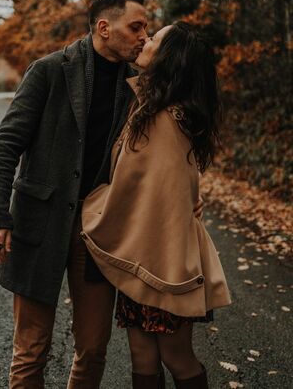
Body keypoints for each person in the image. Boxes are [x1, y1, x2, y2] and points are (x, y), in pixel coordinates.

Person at [0, 0, 204, 389]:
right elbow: (6, 143)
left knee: (93, 348)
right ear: (104, 28)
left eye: (146, 28)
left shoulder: (141, 86)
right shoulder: (49, 70)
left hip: (100, 233)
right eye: (135, 26)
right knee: (31, 348)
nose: (143, 36)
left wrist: (189, 194)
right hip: (38, 225)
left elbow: (166, 149)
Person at [81, 21, 232, 388]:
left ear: (170, 58)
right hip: (145, 258)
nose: (146, 39)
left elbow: (135, 194)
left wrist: (87, 205)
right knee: (143, 355)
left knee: (176, 357)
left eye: (156, 38)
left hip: (164, 265)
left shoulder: (165, 119)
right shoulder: (155, 110)